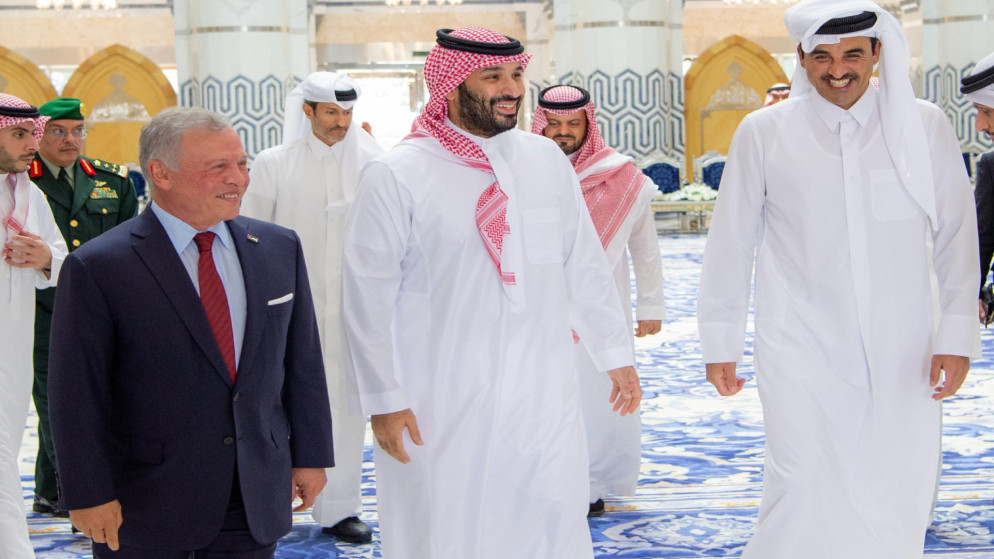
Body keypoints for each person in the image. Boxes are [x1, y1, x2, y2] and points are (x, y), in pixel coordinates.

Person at [341, 27, 641, 559]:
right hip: (440, 395)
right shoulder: (396, 174)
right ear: (451, 85)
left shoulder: (544, 160)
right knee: (446, 523)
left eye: (517, 75)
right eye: (493, 76)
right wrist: (384, 401)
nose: (512, 89)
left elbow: (583, 265)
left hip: (542, 389)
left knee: (549, 512)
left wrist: (615, 353)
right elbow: (366, 299)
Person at [697, 1, 978, 557]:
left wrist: (956, 336)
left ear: (877, 53)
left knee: (894, 477)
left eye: (853, 54)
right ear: (802, 59)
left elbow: (956, 235)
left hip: (905, 343)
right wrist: (720, 342)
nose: (838, 69)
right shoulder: (764, 132)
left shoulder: (923, 125)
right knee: (802, 479)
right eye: (821, 57)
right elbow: (730, 241)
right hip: (799, 342)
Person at [47, 107, 335, 558]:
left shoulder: (278, 247)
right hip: (145, 502)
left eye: (241, 163)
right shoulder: (100, 266)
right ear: (161, 173)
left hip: (254, 494)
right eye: (217, 166)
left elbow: (303, 363)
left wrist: (311, 455)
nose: (238, 178)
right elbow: (75, 393)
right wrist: (87, 493)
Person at [240, 71, 384, 544]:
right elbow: (251, 235)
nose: (341, 122)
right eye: (331, 112)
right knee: (272, 404)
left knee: (344, 406)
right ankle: (266, 506)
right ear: (308, 111)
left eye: (347, 112)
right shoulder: (274, 163)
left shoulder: (374, 163)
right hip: (285, 309)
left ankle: (340, 509)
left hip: (350, 311)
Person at [531, 84, 664, 516]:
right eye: (554, 123)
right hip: (538, 307)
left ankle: (592, 483)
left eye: (573, 123)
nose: (563, 132)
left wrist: (650, 307)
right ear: (540, 124)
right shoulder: (523, 171)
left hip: (605, 307)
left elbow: (645, 247)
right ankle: (545, 479)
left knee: (598, 396)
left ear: (589, 125)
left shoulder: (621, 177)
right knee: (540, 395)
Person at [30, 97, 139, 518]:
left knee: (102, 398)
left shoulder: (112, 180)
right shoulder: (22, 180)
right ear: (39, 134)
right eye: (58, 132)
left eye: (77, 131)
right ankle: (76, 492)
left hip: (102, 308)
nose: (70, 140)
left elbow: (130, 244)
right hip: (42, 310)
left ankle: (50, 488)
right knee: (56, 401)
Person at [0, 93, 67, 559]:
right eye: (19, 135)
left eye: (31, 134)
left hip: (13, 348)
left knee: (6, 443)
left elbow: (62, 261)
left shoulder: (30, 195)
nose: (31, 145)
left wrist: (45, 259)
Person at [963, 52, 994, 322]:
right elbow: (981, 240)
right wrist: (972, 293)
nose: (980, 125)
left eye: (987, 112)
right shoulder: (991, 166)